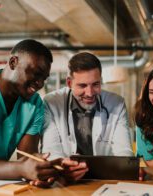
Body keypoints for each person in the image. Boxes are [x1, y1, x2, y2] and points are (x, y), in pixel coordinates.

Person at [41, 52, 133, 182]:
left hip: (106, 180)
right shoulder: (51, 102)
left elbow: (124, 152)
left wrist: (127, 169)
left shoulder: (116, 103)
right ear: (69, 83)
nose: (90, 93)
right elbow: (51, 151)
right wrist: (63, 166)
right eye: (82, 86)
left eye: (95, 84)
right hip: (65, 181)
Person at [0, 39, 61, 187]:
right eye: (36, 74)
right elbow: (22, 167)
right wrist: (21, 169)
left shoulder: (35, 105)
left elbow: (27, 159)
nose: (40, 84)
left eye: (44, 78)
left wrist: (44, 170)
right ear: (13, 62)